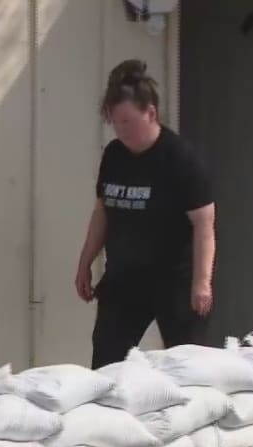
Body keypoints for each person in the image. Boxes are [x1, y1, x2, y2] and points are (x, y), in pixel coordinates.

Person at [76, 59, 217, 369]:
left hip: (173, 281)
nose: (120, 129)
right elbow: (102, 213)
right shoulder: (113, 155)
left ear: (150, 113)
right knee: (107, 360)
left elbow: (204, 224)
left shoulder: (180, 158)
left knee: (187, 364)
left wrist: (201, 282)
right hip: (124, 279)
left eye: (127, 121)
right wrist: (85, 262)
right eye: (115, 121)